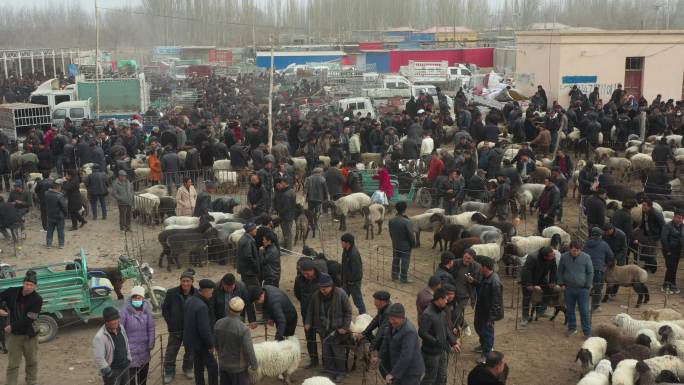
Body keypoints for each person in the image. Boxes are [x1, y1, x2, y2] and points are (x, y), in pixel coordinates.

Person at [304, 273, 352, 382]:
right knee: (326, 351)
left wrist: (345, 327)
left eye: (325, 288)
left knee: (338, 351)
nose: (323, 290)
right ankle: (329, 371)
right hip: (322, 328)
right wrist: (308, 322)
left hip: (337, 329)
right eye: (321, 288)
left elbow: (348, 312)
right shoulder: (316, 295)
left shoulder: (341, 294)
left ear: (331, 286)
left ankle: (340, 372)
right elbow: (310, 310)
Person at [0, 271, 42, 385]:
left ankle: (32, 382)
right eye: (27, 284)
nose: (28, 287)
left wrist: (11, 326)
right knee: (13, 363)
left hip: (30, 335)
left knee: (32, 361)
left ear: (35, 287)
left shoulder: (37, 299)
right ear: (23, 283)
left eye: (31, 285)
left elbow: (29, 319)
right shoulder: (12, 292)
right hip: (14, 336)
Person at [419, 288, 460, 385]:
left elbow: (445, 328)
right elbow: (422, 332)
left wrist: (453, 342)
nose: (447, 301)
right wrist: (435, 341)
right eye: (445, 299)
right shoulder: (428, 314)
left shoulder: (442, 312)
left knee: (442, 376)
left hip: (442, 350)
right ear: (439, 299)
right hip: (431, 353)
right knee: (430, 378)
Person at [214, 297, 258, 385]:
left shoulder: (218, 323)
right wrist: (254, 365)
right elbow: (249, 349)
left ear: (228, 308)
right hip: (238, 369)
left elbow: (216, 344)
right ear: (241, 310)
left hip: (223, 365)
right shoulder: (243, 328)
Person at [162, 269, 196, 383]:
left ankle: (188, 368)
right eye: (183, 281)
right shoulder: (172, 293)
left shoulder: (196, 294)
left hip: (191, 329)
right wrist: (170, 323)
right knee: (171, 351)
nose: (185, 284)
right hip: (175, 329)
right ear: (180, 281)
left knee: (190, 350)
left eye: (188, 281)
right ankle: (169, 372)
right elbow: (165, 309)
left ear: (192, 282)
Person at [379, 303, 425, 385]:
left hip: (410, 372)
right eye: (390, 318)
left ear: (402, 317)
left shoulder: (409, 331)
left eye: (394, 319)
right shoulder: (392, 324)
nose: (391, 321)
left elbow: (406, 356)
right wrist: (379, 356)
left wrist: (393, 374)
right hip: (398, 368)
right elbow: (386, 342)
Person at [184, 279, 218, 385]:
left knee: (198, 367)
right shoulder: (202, 306)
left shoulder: (190, 300)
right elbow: (204, 329)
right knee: (213, 367)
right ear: (206, 291)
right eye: (211, 292)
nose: (212, 295)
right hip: (202, 343)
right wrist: (211, 344)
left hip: (192, 342)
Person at [119, 286, 155, 385]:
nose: (136, 299)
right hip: (130, 350)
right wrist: (123, 347)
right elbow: (120, 329)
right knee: (131, 377)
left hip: (144, 349)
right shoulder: (125, 311)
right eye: (134, 297)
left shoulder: (147, 311)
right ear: (131, 298)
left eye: (139, 298)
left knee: (143, 376)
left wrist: (151, 343)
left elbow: (151, 328)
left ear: (143, 298)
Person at [558, 240, 594, 337]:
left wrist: (587, 286)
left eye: (578, 250)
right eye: (574, 250)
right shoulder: (564, 257)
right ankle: (572, 328)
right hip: (569, 288)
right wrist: (561, 283)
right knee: (570, 309)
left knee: (584, 310)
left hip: (582, 289)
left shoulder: (586, 257)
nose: (576, 252)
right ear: (570, 248)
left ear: (581, 249)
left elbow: (590, 272)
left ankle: (587, 331)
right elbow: (560, 271)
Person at [473, 256, 503, 361]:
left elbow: (496, 302)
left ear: (485, 267)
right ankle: (483, 346)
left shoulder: (494, 282)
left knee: (487, 332)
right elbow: (481, 286)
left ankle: (487, 355)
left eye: (480, 266)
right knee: (478, 327)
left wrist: (491, 318)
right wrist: (473, 282)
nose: (479, 268)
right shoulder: (485, 277)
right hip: (481, 309)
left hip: (488, 313)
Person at [519, 247, 558, 326]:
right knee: (527, 297)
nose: (553, 257)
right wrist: (529, 284)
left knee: (549, 290)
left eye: (553, 255)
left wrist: (552, 281)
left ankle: (541, 310)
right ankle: (525, 317)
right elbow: (527, 271)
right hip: (528, 278)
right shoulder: (532, 257)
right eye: (551, 256)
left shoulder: (552, 256)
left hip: (540, 277)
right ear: (545, 257)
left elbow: (554, 268)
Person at [294, 258, 322, 368]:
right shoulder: (299, 279)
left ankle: (327, 361)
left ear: (313, 270)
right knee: (310, 338)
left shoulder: (322, 278)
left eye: (307, 273)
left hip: (321, 314)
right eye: (303, 273)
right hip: (306, 313)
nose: (305, 275)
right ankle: (314, 360)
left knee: (324, 338)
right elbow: (297, 294)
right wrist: (306, 304)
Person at [93, 307, 131, 385]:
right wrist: (108, 372)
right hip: (113, 371)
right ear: (106, 322)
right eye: (112, 320)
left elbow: (126, 344)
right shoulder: (100, 337)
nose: (115, 322)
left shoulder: (121, 328)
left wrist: (129, 358)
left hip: (125, 367)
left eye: (116, 319)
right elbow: (99, 358)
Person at [361, 291, 392, 375]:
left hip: (390, 342)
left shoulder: (388, 312)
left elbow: (381, 332)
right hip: (384, 338)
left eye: (375, 301)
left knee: (385, 368)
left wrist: (371, 348)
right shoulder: (382, 309)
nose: (374, 303)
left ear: (382, 301)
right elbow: (376, 320)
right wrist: (364, 332)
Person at [583, 227, 613, 313]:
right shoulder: (604, 244)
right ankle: (595, 307)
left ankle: (583, 305)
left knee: (586, 287)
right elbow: (611, 256)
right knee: (598, 288)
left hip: (586, 268)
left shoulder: (586, 243)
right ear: (600, 235)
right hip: (598, 269)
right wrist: (606, 263)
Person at [388, 201, 417, 283]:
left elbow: (391, 233)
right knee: (405, 262)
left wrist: (394, 241)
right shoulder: (407, 221)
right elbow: (411, 235)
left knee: (395, 260)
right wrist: (413, 244)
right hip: (406, 246)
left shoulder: (391, 220)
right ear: (405, 209)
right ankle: (403, 278)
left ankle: (394, 276)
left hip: (395, 244)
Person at [341, 233, 366, 314]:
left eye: (342, 242)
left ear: (348, 243)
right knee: (343, 297)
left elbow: (357, 271)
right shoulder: (345, 251)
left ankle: (363, 315)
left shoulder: (353, 254)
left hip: (353, 282)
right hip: (346, 280)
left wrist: (352, 281)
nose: (341, 243)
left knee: (357, 300)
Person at [661, 210, 684, 294]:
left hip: (678, 251)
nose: (680, 219)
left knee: (674, 268)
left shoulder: (682, 226)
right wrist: (668, 250)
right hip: (669, 250)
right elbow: (664, 238)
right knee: (671, 267)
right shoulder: (668, 226)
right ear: (674, 217)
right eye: (678, 217)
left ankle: (672, 284)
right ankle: (666, 285)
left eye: (681, 218)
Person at [45, 178, 68, 249]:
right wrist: (65, 214)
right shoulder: (60, 196)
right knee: (60, 231)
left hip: (50, 215)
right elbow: (64, 207)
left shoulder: (46, 193)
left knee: (49, 231)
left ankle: (49, 244)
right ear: (59, 187)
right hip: (59, 216)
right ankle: (61, 244)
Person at [274, 177, 296, 251]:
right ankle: (286, 247)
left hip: (286, 216)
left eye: (281, 182)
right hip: (290, 215)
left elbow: (286, 207)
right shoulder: (291, 191)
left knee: (287, 233)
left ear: (285, 183)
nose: (280, 184)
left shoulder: (286, 194)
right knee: (287, 232)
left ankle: (289, 249)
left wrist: (279, 212)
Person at [237, 223, 260, 288]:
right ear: (250, 230)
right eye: (255, 229)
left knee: (246, 286)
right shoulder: (248, 241)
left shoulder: (244, 238)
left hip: (244, 269)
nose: (256, 230)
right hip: (249, 271)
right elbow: (248, 256)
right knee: (255, 287)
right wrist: (255, 266)